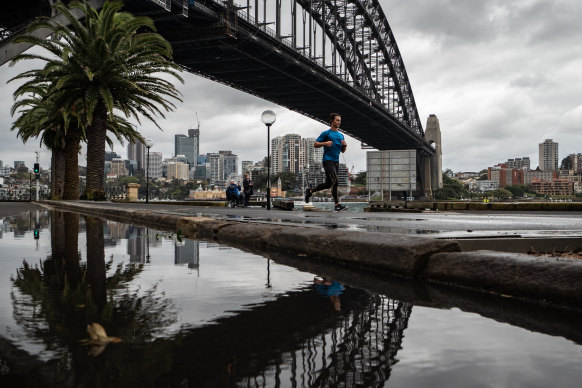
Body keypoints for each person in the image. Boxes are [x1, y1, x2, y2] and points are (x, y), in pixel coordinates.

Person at [305, 112, 348, 211]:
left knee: (329, 184)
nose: (339, 122)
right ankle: (337, 205)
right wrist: (325, 143)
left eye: (340, 121)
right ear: (331, 121)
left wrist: (345, 146)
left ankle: (310, 191)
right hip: (327, 161)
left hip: (336, 162)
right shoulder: (326, 133)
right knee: (335, 181)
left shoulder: (341, 135)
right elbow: (316, 144)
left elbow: (342, 151)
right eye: (337, 120)